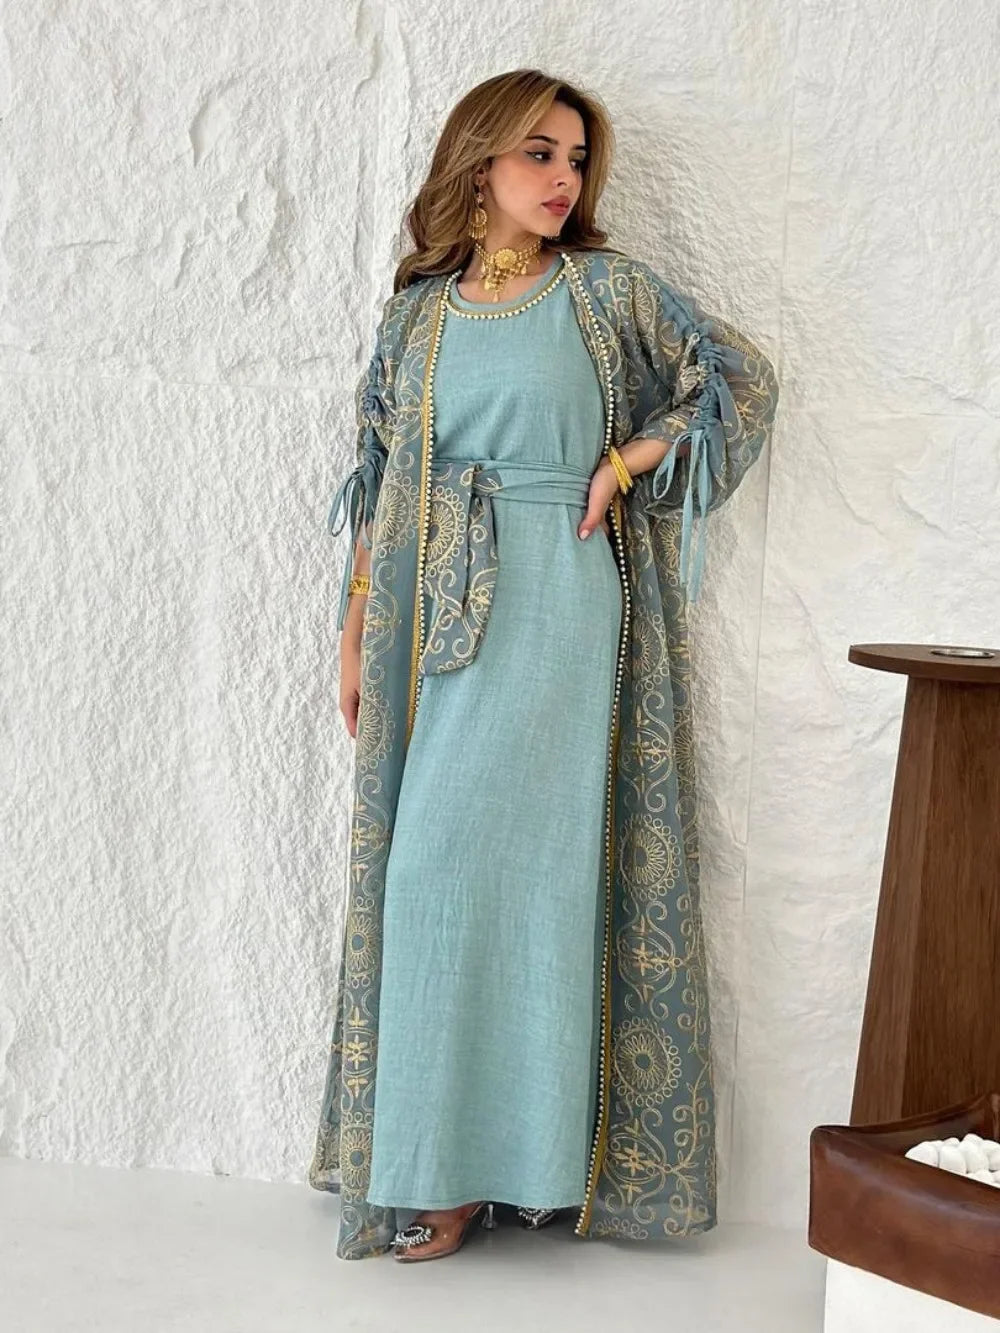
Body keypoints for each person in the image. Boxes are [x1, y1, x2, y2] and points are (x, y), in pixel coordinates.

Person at [308, 68, 780, 1264]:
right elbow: (381, 478)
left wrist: (626, 462)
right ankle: (434, 1159)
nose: (563, 177)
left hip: (559, 606)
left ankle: (502, 1172)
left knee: (535, 881)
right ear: (479, 164)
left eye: (574, 158)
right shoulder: (417, 315)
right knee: (428, 875)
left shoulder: (605, 291)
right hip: (434, 612)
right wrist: (357, 629)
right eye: (538, 153)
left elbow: (734, 378)